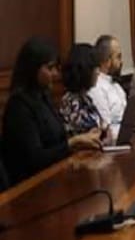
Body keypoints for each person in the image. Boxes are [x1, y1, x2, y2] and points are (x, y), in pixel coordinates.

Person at [0, 38, 102, 186]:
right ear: (33, 69)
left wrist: (83, 139)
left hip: (54, 176)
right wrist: (72, 143)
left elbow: (57, 140)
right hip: (30, 186)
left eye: (56, 68)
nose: (55, 73)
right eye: (50, 68)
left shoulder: (43, 98)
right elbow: (35, 159)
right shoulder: (18, 107)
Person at [59, 43, 108, 139]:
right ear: (85, 70)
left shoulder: (86, 98)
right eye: (95, 68)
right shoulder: (71, 102)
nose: (98, 72)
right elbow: (84, 133)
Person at [88, 34, 127, 140]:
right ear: (107, 61)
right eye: (118, 57)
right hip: (114, 141)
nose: (121, 62)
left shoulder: (116, 85)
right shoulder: (97, 87)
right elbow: (106, 128)